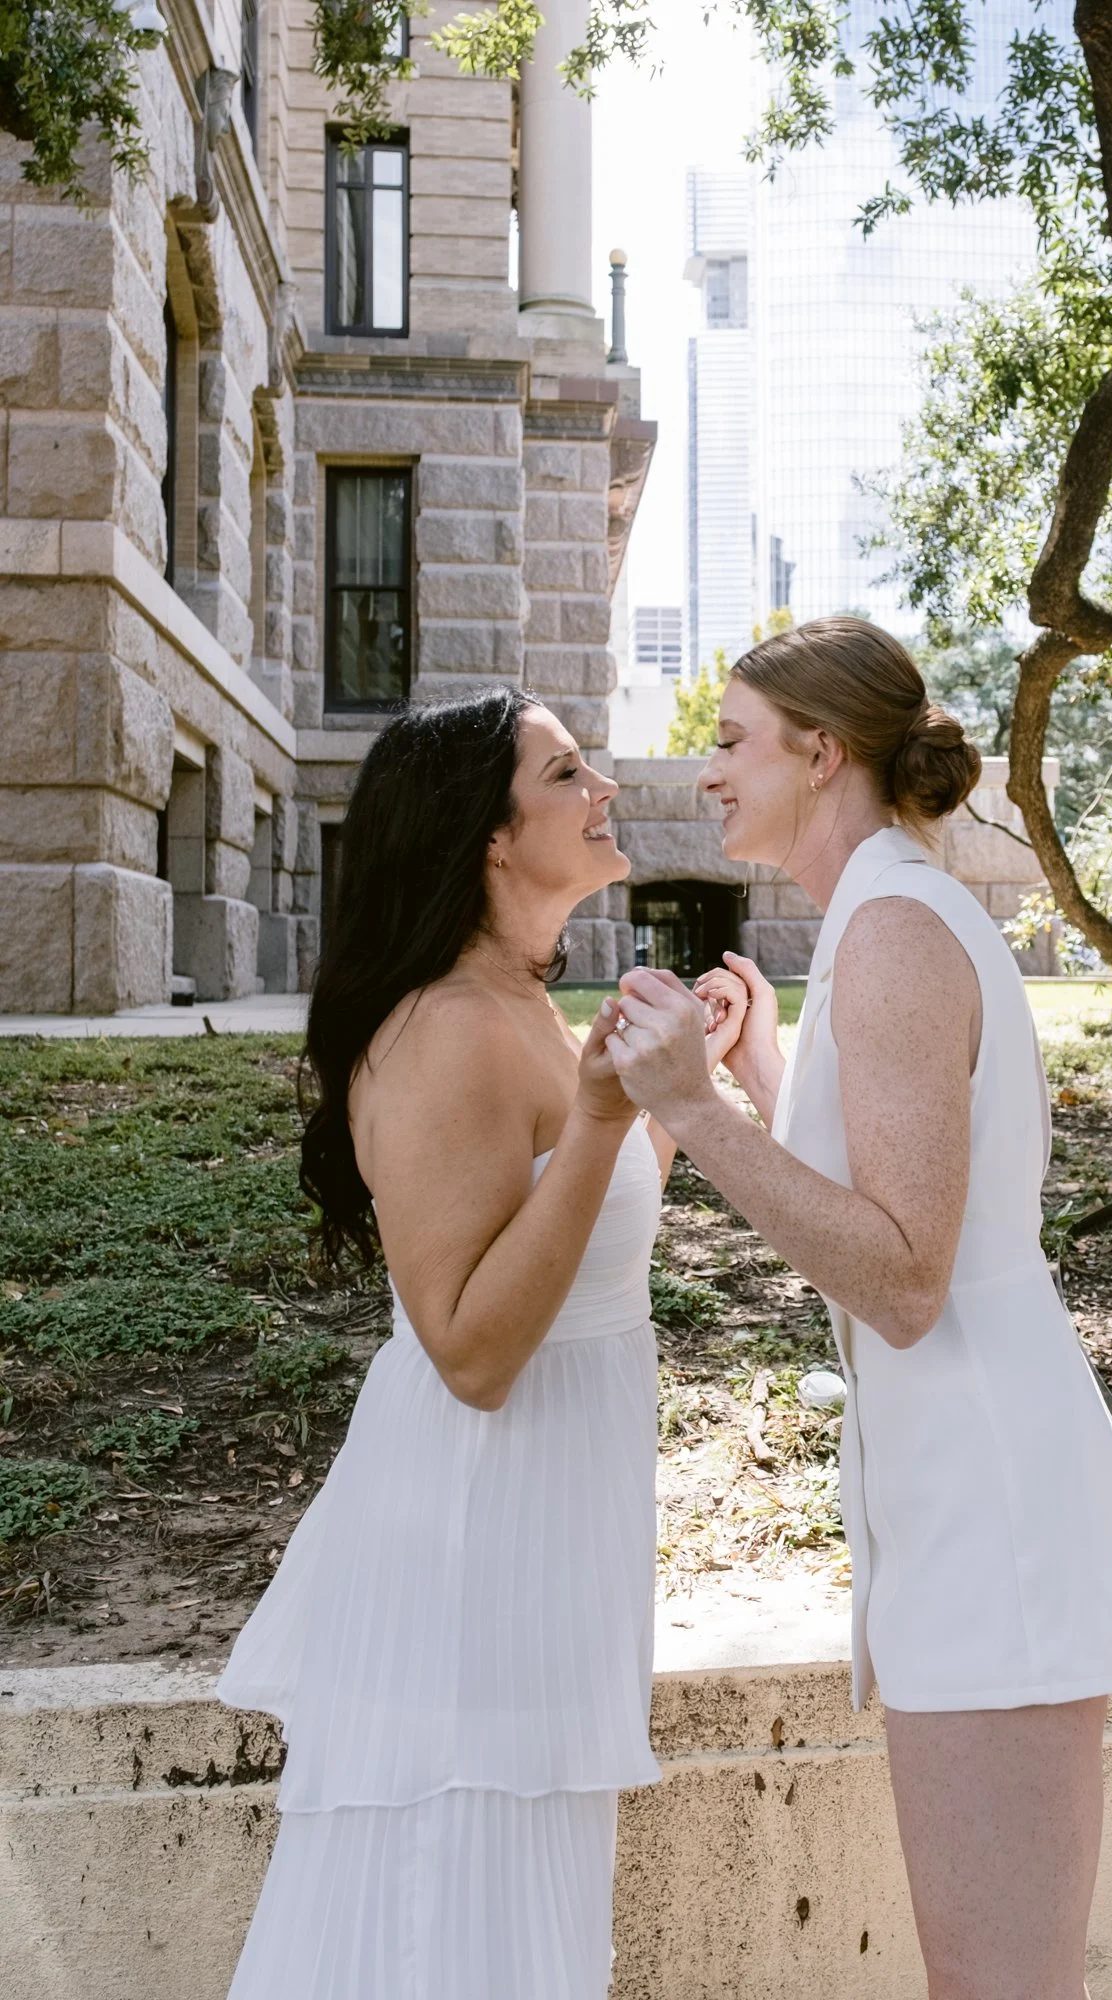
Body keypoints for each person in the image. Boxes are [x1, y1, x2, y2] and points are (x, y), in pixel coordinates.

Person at [601, 616, 1112, 2000]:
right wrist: (775, 1082)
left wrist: (693, 1111)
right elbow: (895, 1219)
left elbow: (905, 1279)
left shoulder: (900, 928)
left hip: (995, 1521)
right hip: (960, 1498)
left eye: (731, 740)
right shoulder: (879, 918)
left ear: (824, 751)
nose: (707, 773)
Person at [216, 689, 743, 2000]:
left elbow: (577, 1238)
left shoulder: (521, 1000)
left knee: (522, 1922)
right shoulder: (446, 1029)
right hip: (472, 1555)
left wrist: (675, 1095)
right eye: (568, 771)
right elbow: (470, 1347)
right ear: (493, 838)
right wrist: (612, 1120)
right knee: (445, 1924)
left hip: (554, 1540)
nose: (603, 786)